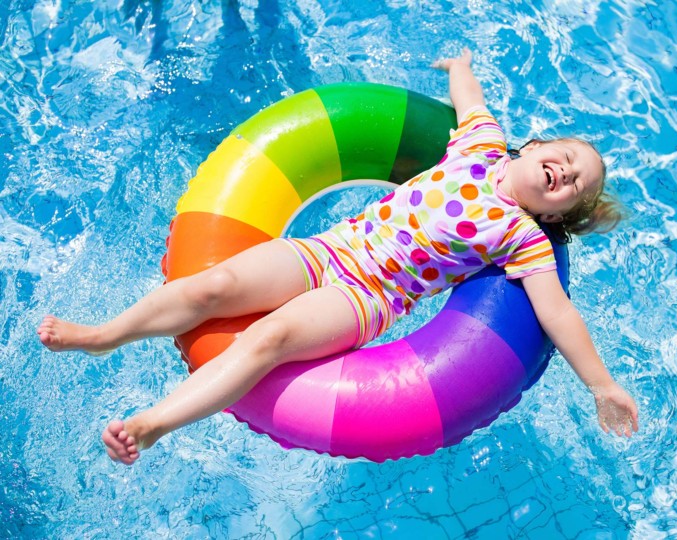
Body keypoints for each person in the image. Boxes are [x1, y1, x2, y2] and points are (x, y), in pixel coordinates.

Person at [37, 49, 639, 465]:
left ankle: (152, 424)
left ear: (557, 214)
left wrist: (602, 385)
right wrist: (461, 67)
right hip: (327, 250)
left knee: (267, 340)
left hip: (363, 297)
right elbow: (470, 100)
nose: (565, 172)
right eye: (564, 156)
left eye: (575, 185)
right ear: (533, 146)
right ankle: (105, 335)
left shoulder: (522, 237)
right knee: (211, 286)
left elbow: (557, 314)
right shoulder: (480, 144)